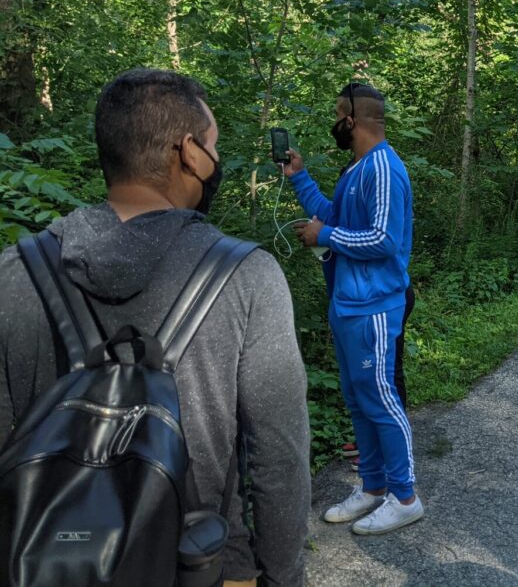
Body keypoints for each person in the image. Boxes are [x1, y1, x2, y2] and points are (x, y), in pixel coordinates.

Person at [0, 68, 310, 586]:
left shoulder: (14, 272)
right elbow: (279, 457)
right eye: (212, 146)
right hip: (203, 563)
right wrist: (283, 579)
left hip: (42, 564)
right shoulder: (247, 276)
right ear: (188, 153)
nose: (215, 161)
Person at [285, 82, 423, 535]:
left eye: (337, 113)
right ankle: (373, 487)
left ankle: (405, 497)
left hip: (376, 306)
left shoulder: (383, 168)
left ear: (354, 120)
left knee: (381, 397)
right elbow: (338, 217)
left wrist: (322, 236)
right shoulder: (357, 169)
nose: (335, 122)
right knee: (359, 401)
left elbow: (383, 240)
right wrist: (299, 177)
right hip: (347, 303)